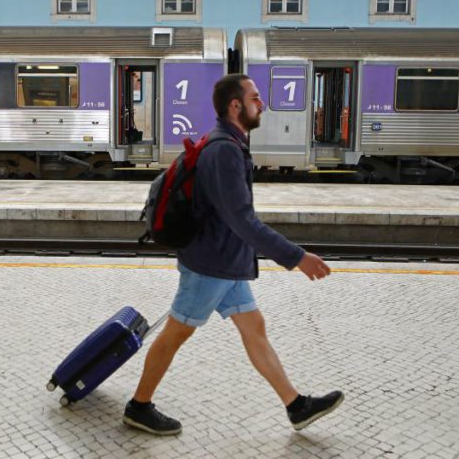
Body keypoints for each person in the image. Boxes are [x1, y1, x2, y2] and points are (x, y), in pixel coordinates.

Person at [123, 74, 344, 436]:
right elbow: (241, 220)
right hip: (211, 265)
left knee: (254, 328)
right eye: (256, 98)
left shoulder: (227, 142)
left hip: (226, 262)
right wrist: (296, 257)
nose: (263, 104)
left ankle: (296, 405)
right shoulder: (224, 150)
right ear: (235, 105)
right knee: (175, 334)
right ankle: (139, 406)